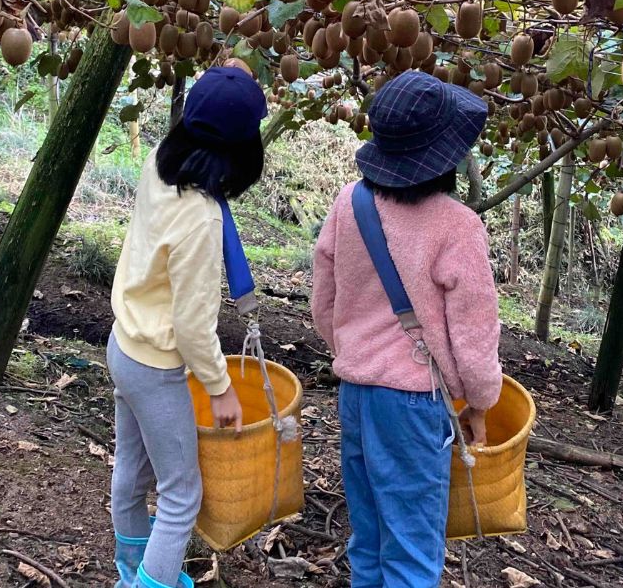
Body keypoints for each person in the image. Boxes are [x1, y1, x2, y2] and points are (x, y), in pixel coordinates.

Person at [311, 70, 503, 588]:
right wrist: (479, 402)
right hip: (415, 402)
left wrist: (352, 351)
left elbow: (324, 300)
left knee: (370, 537)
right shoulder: (457, 225)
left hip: (356, 391)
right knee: (413, 550)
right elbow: (475, 329)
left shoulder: (349, 205)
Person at [108, 65, 267, 588]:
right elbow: (194, 326)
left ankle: (131, 569)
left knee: (131, 475)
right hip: (156, 367)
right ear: (243, 154)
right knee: (181, 495)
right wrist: (220, 389)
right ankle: (149, 582)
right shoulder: (201, 219)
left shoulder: (161, 161)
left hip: (123, 344)